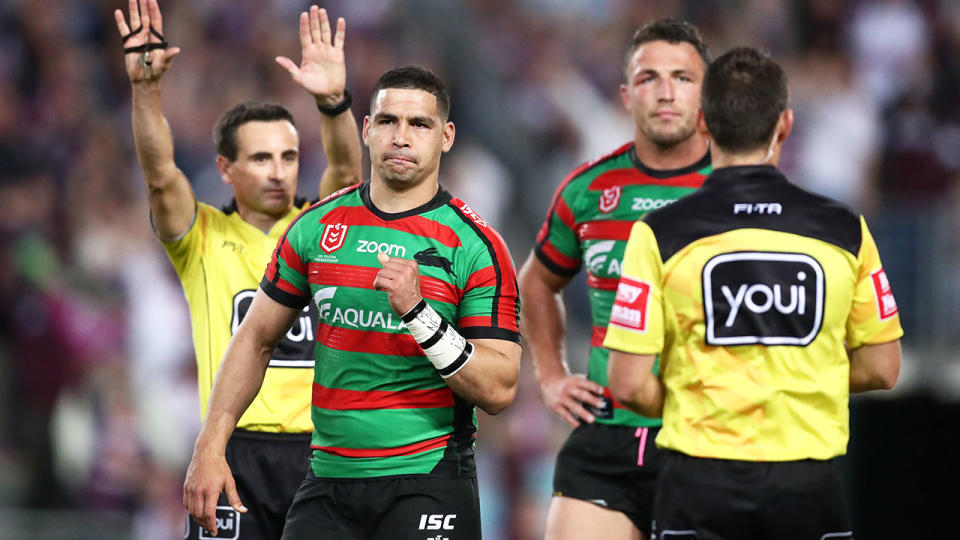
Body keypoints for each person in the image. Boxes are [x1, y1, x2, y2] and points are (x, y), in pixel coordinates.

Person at [183, 64, 523, 539]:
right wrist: (210, 447)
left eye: (419, 124)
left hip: (427, 482)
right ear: (367, 129)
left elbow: (499, 389)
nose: (401, 137)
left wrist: (420, 315)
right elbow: (256, 337)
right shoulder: (316, 228)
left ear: (445, 136)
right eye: (387, 121)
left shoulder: (475, 246)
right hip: (329, 480)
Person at [604, 47, 903, 540]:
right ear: (784, 125)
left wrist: (707, 394)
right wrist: (798, 380)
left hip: (698, 480)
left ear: (702, 125)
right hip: (808, 484)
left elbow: (630, 382)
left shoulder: (660, 232)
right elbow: (883, 366)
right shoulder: (845, 230)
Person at [114, 1, 362, 537]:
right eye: (260, 158)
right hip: (234, 450)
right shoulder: (201, 237)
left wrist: (333, 103)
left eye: (289, 157)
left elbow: (345, 171)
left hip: (321, 452)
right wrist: (146, 91)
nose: (278, 173)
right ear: (225, 167)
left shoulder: (321, 231)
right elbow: (160, 175)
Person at [517, 19, 711, 540]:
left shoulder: (737, 189)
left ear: (705, 93)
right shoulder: (587, 188)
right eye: (649, 78)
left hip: (707, 440)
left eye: (683, 77)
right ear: (626, 96)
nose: (666, 92)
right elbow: (535, 282)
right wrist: (552, 374)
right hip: (605, 436)